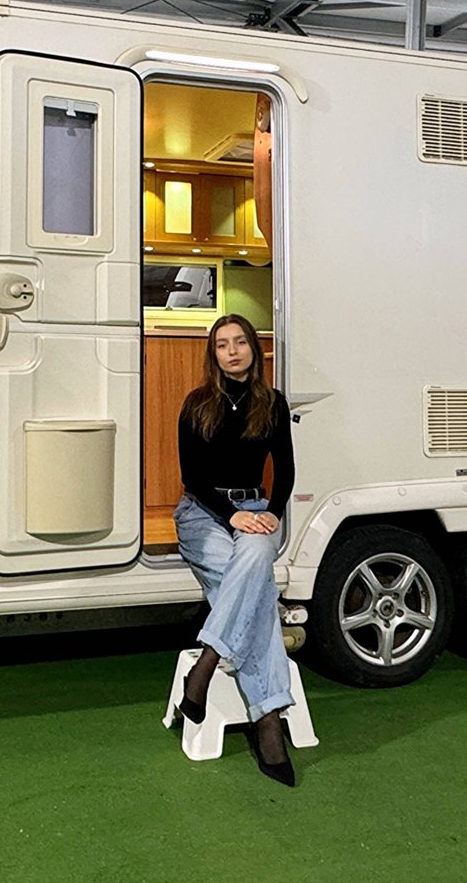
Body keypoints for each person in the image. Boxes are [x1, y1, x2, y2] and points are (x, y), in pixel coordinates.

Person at [172, 313, 298, 785]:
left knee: (252, 563)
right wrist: (232, 516)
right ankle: (269, 722)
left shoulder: (272, 403)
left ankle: (207, 662)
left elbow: (285, 469)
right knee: (257, 592)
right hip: (202, 513)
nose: (232, 351)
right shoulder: (196, 403)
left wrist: (273, 514)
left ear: (253, 349)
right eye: (222, 344)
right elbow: (193, 476)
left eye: (240, 342)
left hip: (257, 509)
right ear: (214, 354)